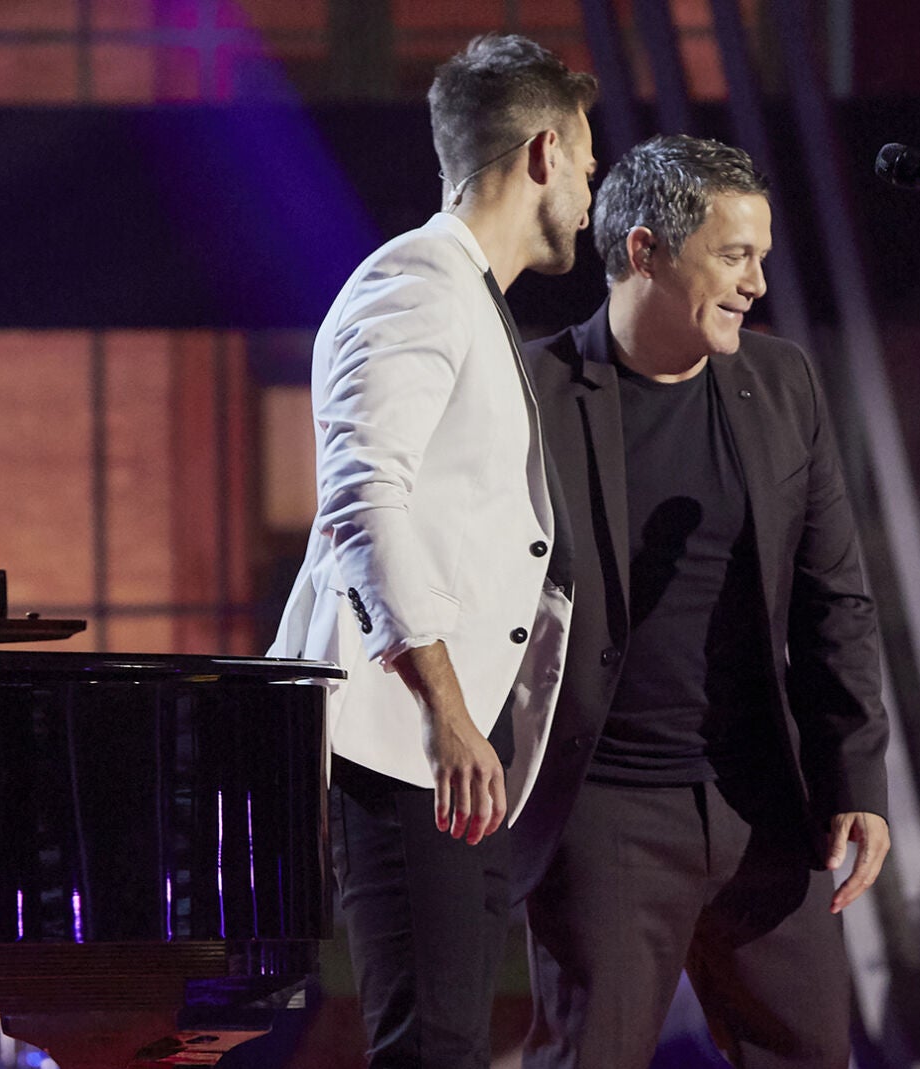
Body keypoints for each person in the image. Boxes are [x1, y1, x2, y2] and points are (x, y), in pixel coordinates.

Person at [515, 134, 890, 1069]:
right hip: (602, 810)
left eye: (761, 257)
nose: (757, 283)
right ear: (644, 250)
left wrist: (856, 778)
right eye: (734, 256)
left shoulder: (782, 381)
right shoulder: (533, 387)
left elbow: (833, 594)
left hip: (763, 804)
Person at [267, 34, 596, 1069]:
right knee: (434, 1045)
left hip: (453, 749)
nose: (592, 187)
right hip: (405, 741)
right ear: (543, 152)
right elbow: (364, 504)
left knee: (447, 1039)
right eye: (587, 162)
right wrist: (451, 716)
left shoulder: (467, 297)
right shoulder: (412, 282)